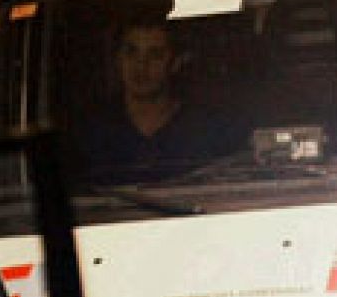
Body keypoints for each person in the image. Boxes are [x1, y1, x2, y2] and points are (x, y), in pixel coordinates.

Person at [85, 19, 244, 182]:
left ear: (175, 63)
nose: (141, 66)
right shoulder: (93, 128)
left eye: (155, 55)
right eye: (131, 53)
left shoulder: (207, 127)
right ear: (118, 59)